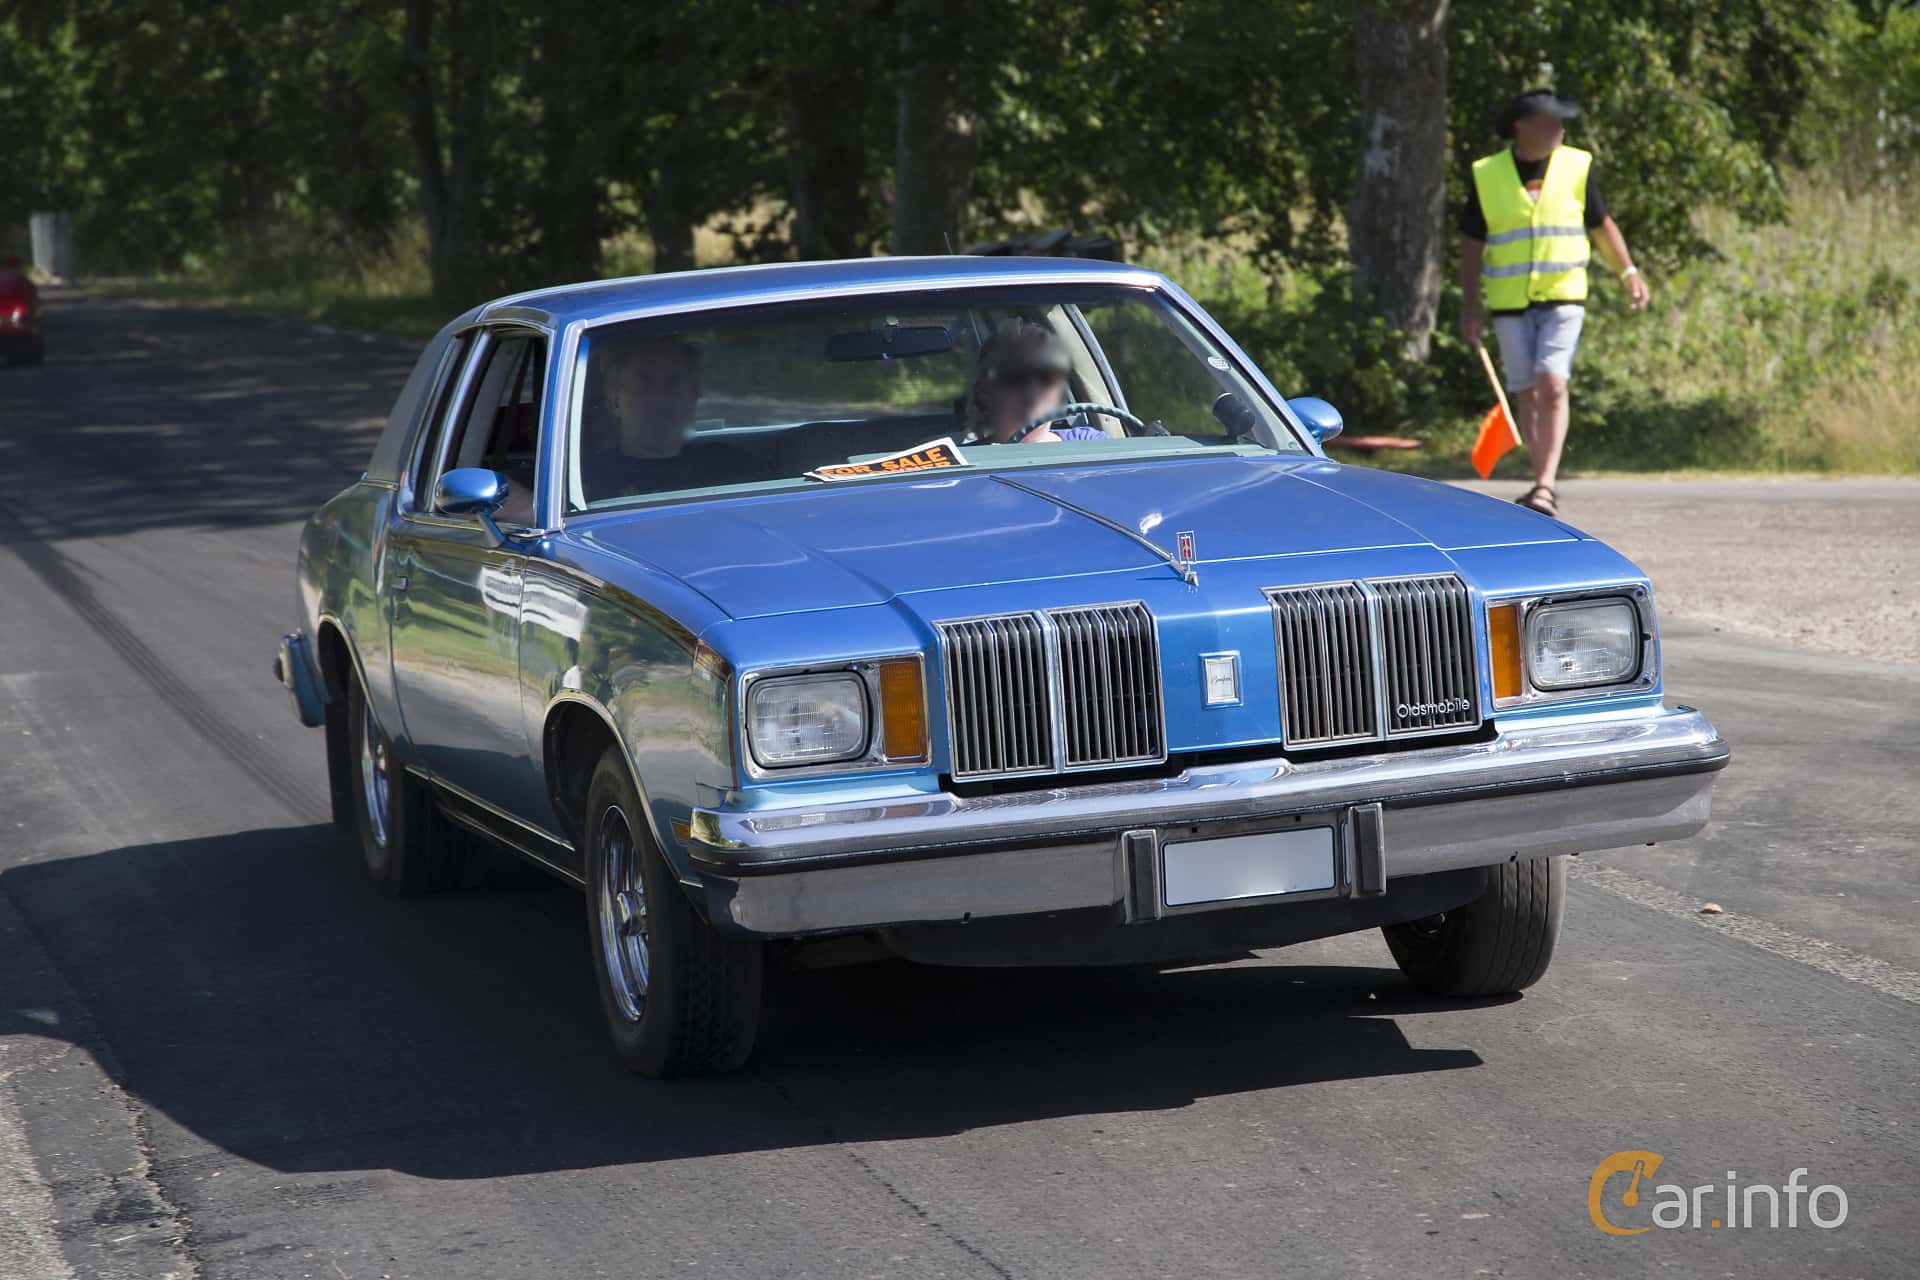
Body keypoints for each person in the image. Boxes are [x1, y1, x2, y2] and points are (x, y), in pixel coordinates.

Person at [1460, 88, 1650, 517]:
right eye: (1549, 121)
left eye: (1561, 122)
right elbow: (1471, 246)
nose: (1559, 129)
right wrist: (1469, 308)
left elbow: (1601, 225)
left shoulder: (1577, 166)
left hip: (1564, 296)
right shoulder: (1487, 173)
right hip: (1510, 302)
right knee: (1526, 390)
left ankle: (1545, 483)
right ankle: (1539, 477)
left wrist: (1628, 272)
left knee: (1553, 381)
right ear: (1520, 125)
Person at [581, 334, 741, 501]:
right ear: (614, 400)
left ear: (693, 398)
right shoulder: (588, 482)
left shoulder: (729, 466)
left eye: (674, 382)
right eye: (644, 383)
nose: (661, 397)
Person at [963, 321, 1108, 444]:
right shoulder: (959, 466)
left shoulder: (1091, 445)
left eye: (1047, 376)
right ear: (985, 393)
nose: (1034, 389)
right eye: (1016, 376)